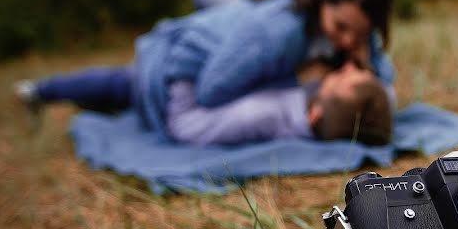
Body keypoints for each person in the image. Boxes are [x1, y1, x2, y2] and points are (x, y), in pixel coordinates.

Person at [15, 0, 396, 141]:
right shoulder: (279, 35)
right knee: (126, 85)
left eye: (359, 34)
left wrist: (363, 57)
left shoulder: (343, 27)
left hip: (219, 43)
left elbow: (384, 96)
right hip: (172, 69)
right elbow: (212, 91)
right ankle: (40, 90)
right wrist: (298, 89)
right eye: (341, 27)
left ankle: (69, 98)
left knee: (119, 91)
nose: (347, 42)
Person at [166, 60, 391, 146]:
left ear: (315, 115)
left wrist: (186, 66)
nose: (349, 65)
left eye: (342, 75)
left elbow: (184, 126)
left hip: (168, 77)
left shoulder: (262, 113)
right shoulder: (322, 105)